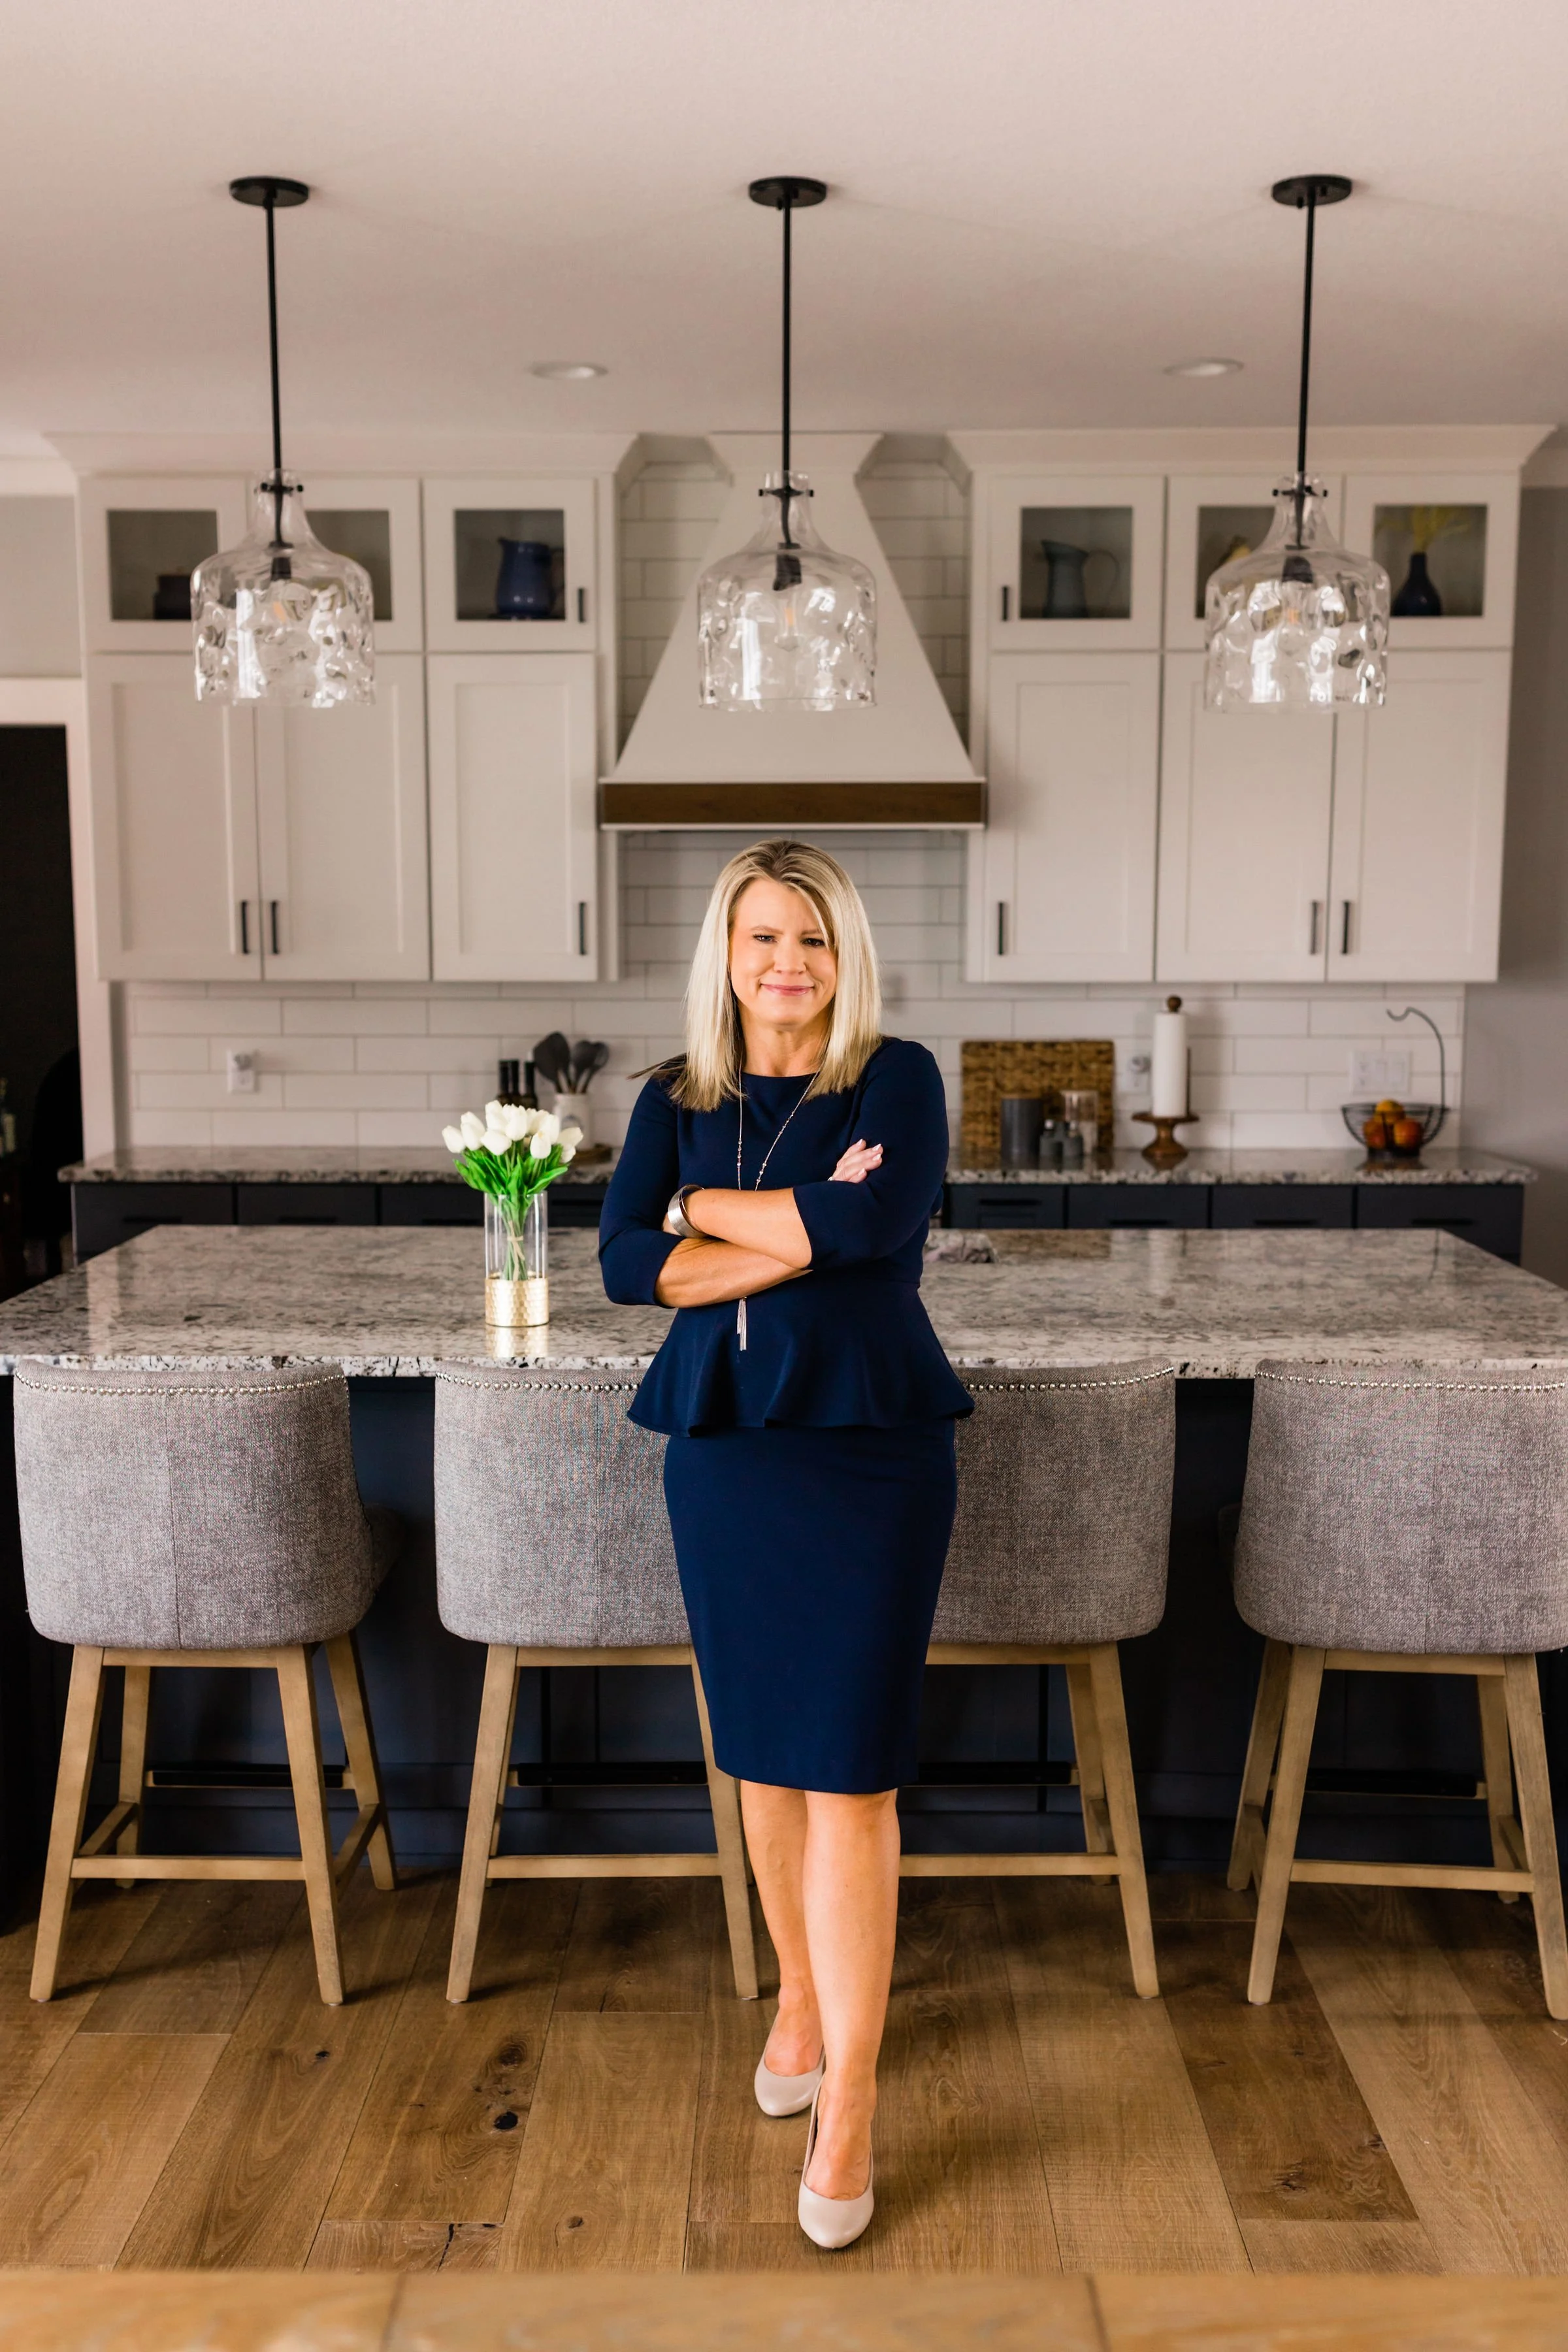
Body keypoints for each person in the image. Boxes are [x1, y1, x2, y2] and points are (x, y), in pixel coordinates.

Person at [598, 838, 970, 2249]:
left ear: (844, 952)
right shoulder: (673, 1100)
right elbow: (631, 1261)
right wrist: (777, 1231)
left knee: (852, 1778)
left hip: (871, 1454)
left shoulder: (897, 1078)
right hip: (730, 1457)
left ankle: (855, 2102)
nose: (787, 966)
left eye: (810, 939)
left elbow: (879, 1219)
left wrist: (736, 1228)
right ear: (727, 952)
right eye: (762, 937)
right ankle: (801, 2001)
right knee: (756, 1758)